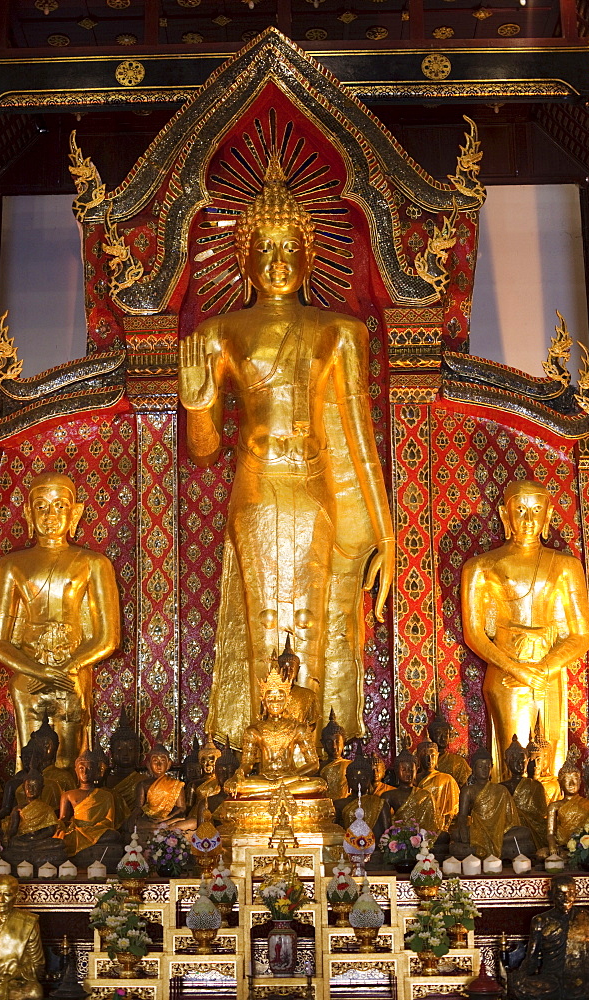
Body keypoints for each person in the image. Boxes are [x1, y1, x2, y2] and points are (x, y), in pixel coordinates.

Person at [180, 157, 395, 747]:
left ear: (309, 254)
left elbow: (359, 435)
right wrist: (199, 407)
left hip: (312, 485)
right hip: (253, 483)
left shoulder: (339, 331)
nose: (277, 262)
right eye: (265, 248)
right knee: (262, 619)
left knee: (311, 617)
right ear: (243, 259)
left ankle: (316, 753)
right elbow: (202, 453)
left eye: (288, 248)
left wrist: (385, 529)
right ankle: (257, 753)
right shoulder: (217, 334)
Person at [0, 472, 121, 770]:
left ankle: (69, 814)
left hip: (70, 672)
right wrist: (38, 670)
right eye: (41, 506)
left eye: (60, 506)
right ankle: (23, 813)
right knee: (28, 763)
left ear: (75, 513)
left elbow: (109, 638)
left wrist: (66, 668)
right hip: (28, 675)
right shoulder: (10, 565)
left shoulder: (93, 563)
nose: (50, 515)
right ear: (27, 512)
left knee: (69, 763)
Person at [462, 480, 589, 778]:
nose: (529, 519)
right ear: (504, 516)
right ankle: (510, 822)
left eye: (537, 510)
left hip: (549, 671)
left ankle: (552, 823)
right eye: (520, 510)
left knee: (551, 763)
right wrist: (517, 669)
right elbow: (474, 633)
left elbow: (581, 634)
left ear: (548, 516)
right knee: (514, 759)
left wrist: (544, 668)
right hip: (507, 673)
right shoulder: (481, 567)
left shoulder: (565, 565)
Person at [224, 667, 327, 799]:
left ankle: (268, 791)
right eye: (271, 698)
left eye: (279, 698)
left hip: (290, 778)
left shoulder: (298, 727)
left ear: (287, 700)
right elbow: (247, 764)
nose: (275, 703)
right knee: (231, 786)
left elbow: (314, 764)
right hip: (264, 778)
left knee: (319, 784)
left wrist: (291, 777)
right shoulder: (253, 730)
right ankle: (274, 789)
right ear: (263, 700)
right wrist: (238, 775)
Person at [509, 874, 589, 1000]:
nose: (566, 898)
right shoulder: (541, 920)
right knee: (520, 986)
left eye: (570, 893)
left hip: (584, 980)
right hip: (552, 982)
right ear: (550, 894)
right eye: (560, 894)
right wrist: (520, 976)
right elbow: (532, 959)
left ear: (576, 893)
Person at [451, 747, 524, 860]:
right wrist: (463, 830)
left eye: (487, 767)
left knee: (524, 833)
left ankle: (479, 850)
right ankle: (500, 850)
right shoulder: (468, 790)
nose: (484, 770)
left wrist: (500, 830)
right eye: (480, 766)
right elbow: (462, 816)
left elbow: (511, 818)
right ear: (473, 769)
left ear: (492, 768)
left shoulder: (501, 789)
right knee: (456, 835)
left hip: (500, 830)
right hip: (477, 830)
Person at [55, 749, 121, 861]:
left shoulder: (106, 795)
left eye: (89, 769)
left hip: (97, 830)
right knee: (60, 838)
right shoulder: (67, 795)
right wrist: (59, 827)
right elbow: (63, 818)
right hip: (76, 830)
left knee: (113, 835)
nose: (85, 772)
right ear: (76, 771)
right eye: (81, 769)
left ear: (96, 772)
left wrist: (94, 829)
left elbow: (109, 820)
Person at [501, 735, 548, 853]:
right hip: (508, 831)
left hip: (529, 833)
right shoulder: (500, 787)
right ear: (506, 762)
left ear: (527, 761)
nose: (519, 764)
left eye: (522, 761)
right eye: (514, 761)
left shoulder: (536, 786)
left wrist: (521, 816)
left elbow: (541, 816)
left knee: (524, 833)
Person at [546, 753, 589, 857]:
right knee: (541, 854)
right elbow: (550, 833)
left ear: (580, 782)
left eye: (575, 779)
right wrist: (552, 846)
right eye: (567, 779)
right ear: (560, 783)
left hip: (583, 846)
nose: (572, 784)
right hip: (561, 847)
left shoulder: (588, 805)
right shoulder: (554, 806)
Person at [130, 744, 186, 837]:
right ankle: (162, 828)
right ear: (148, 765)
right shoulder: (143, 784)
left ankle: (162, 828)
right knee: (134, 824)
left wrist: (168, 819)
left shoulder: (177, 784)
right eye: (155, 761)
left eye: (162, 761)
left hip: (170, 821)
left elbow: (182, 808)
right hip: (150, 820)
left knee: (193, 822)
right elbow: (139, 807)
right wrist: (132, 818)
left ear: (168, 764)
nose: (159, 765)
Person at [416, 739, 459, 832]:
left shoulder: (447, 779)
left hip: (441, 825)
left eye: (433, 756)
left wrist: (443, 823)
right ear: (418, 757)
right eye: (425, 756)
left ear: (437, 756)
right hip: (416, 825)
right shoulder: (412, 779)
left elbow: (454, 809)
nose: (429, 760)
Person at [427, 711, 471, 788]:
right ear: (431, 735)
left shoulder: (458, 762)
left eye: (445, 734)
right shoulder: (426, 760)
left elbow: (467, 787)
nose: (443, 737)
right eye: (438, 734)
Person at [319, 709, 350, 800]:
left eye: (337, 742)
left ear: (343, 743)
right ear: (323, 744)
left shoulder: (349, 766)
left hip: (345, 805)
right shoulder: (318, 767)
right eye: (329, 742)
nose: (334, 746)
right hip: (325, 807)